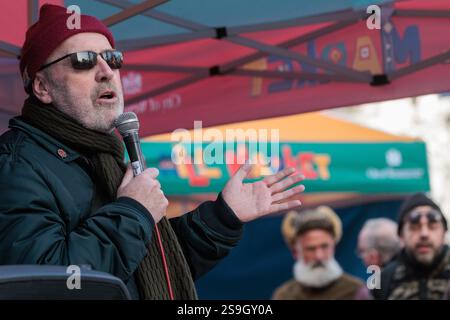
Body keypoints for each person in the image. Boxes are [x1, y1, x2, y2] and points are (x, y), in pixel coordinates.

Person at [0, 4, 305, 300]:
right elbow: (48, 283)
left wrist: (223, 217)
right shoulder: (17, 164)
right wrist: (134, 212)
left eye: (112, 58)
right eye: (83, 60)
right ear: (42, 87)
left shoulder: (100, 156)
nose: (106, 71)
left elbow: (148, 267)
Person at [272, 206, 365, 299]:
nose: (319, 256)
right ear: (295, 253)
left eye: (324, 247)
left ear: (333, 247)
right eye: (311, 249)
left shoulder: (356, 291)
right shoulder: (285, 295)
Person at [372, 193, 450, 300]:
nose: (424, 234)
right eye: (414, 227)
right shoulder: (384, 280)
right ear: (401, 236)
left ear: (444, 233)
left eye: (432, 227)